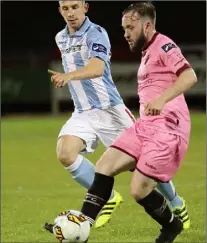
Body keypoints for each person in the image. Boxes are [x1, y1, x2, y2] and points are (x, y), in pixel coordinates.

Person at [45, 1, 191, 232]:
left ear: (85, 7)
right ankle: (108, 196)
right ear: (60, 10)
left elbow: (97, 68)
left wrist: (68, 76)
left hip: (110, 111)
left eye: (75, 6)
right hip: (83, 112)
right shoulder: (60, 38)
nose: (70, 13)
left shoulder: (97, 33)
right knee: (65, 153)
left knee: (146, 164)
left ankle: (175, 202)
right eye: (65, 8)